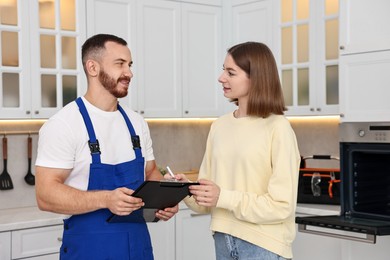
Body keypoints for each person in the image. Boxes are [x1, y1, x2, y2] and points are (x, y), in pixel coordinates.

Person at [35, 34, 178, 260]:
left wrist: (164, 199)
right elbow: (45, 195)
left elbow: (150, 172)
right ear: (92, 67)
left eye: (129, 65)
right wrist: (105, 199)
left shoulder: (136, 123)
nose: (129, 72)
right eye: (120, 64)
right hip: (90, 250)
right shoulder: (64, 124)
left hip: (138, 248)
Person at [178, 42, 301, 260]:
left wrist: (223, 197)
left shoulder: (278, 128)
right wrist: (185, 189)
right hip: (223, 238)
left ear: (256, 77)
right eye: (223, 69)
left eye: (230, 72)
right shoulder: (219, 126)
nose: (221, 77)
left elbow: (281, 206)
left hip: (263, 246)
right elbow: (208, 201)